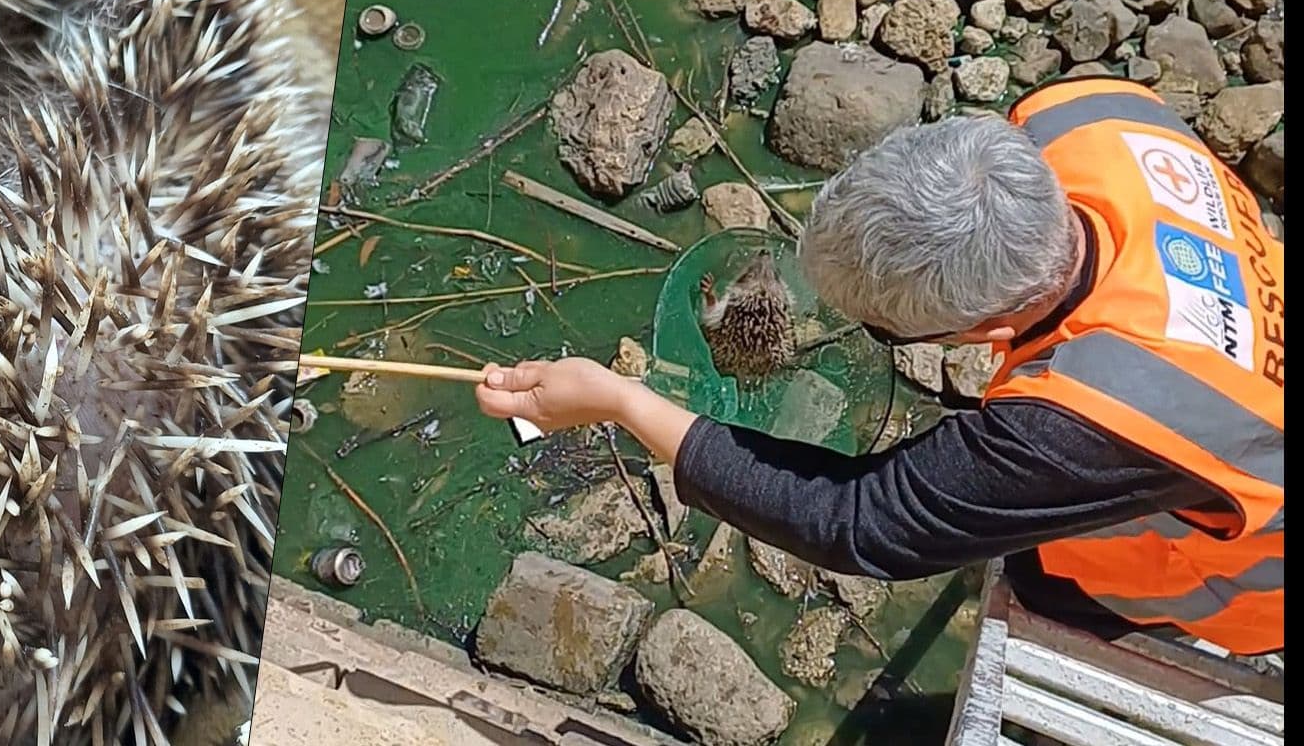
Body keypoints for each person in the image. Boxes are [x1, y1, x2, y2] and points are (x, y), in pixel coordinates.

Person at [476, 77, 1284, 657]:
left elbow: (857, 521)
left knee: (1047, 576)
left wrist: (623, 401)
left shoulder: (1088, 420)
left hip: (1255, 567)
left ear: (991, 324)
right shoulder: (1081, 111)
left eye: (887, 331)